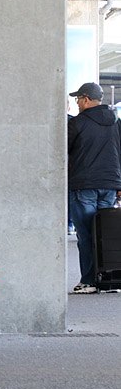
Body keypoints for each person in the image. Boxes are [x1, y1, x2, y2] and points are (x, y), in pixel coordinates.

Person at [67, 82, 121, 294]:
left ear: (86, 99)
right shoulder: (116, 122)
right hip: (109, 185)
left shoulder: (78, 123)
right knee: (104, 233)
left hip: (84, 186)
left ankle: (88, 281)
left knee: (86, 234)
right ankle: (107, 280)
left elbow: (64, 151)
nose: (77, 103)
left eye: (78, 99)